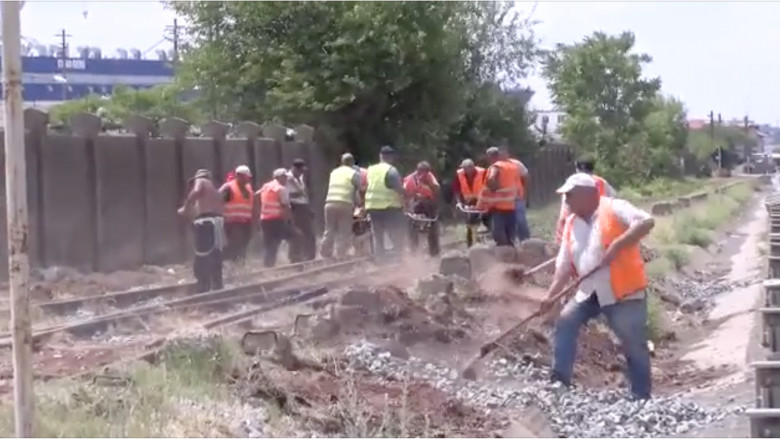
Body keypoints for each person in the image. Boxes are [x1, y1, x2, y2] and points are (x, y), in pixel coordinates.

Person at [541, 172, 655, 400]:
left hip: (623, 291)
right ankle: (560, 381)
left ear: (588, 194)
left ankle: (641, 395)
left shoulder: (614, 208)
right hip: (589, 292)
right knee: (565, 321)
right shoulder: (572, 223)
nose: (567, 201)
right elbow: (563, 265)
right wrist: (550, 296)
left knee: (632, 341)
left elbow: (646, 221)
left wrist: (618, 244)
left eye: (570, 196)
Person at [177, 169, 225, 293]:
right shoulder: (214, 190)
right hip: (217, 222)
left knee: (202, 254)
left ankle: (203, 285)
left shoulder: (201, 181)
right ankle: (217, 284)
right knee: (215, 253)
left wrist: (185, 206)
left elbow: (196, 191)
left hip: (206, 222)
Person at [554, 156, 616, 243]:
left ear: (577, 168)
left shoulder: (573, 182)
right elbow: (612, 202)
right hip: (601, 225)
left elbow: (565, 211)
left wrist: (560, 234)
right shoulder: (602, 182)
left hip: (578, 227)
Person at [364, 146, 406, 257]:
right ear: (391, 157)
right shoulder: (391, 170)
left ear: (380, 156)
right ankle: (397, 257)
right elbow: (399, 189)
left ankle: (380, 258)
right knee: (394, 232)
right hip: (389, 207)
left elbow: (364, 186)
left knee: (377, 235)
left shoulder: (370, 170)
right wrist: (406, 197)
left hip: (372, 206)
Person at [321, 153, 363, 258]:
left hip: (329, 203)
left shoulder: (334, 172)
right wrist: (360, 203)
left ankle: (325, 253)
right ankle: (341, 254)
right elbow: (359, 189)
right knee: (343, 231)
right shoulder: (354, 173)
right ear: (352, 162)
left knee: (329, 229)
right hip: (345, 203)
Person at [478, 147, 520, 246]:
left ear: (490, 157)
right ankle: (513, 256)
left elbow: (492, 179)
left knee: (500, 237)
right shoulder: (511, 166)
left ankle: (503, 257)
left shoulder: (495, 167)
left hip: (498, 206)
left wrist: (493, 188)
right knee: (510, 236)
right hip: (511, 205)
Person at [257, 169, 295, 268]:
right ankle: (296, 260)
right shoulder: (281, 189)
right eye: (284, 177)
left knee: (270, 244)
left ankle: (268, 266)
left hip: (264, 220)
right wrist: (290, 221)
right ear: (279, 177)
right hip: (276, 220)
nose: (286, 179)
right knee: (296, 237)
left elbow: (255, 196)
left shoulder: (266, 186)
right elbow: (286, 206)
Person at [403, 161, 441, 256]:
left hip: (429, 203)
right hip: (414, 203)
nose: (425, 174)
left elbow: (437, 189)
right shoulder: (409, 180)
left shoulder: (430, 177)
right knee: (410, 223)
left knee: (433, 224)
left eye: (427, 172)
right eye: (423, 172)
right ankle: (413, 249)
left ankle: (434, 251)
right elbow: (405, 194)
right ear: (418, 171)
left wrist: (430, 185)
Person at [219, 165, 255, 262]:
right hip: (231, 222)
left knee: (243, 243)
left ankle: (239, 264)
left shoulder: (248, 188)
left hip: (245, 222)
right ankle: (221, 261)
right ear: (239, 176)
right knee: (235, 243)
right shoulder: (228, 187)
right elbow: (218, 201)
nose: (248, 179)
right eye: (247, 177)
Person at [452, 159, 490, 244]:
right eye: (464, 168)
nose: (465, 171)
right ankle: (471, 245)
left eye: (466, 169)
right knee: (470, 222)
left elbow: (489, 186)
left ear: (472, 167)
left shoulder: (483, 172)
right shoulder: (460, 174)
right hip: (469, 201)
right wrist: (458, 202)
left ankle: (496, 240)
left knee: (488, 220)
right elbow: (456, 189)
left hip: (483, 200)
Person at [286, 159, 316, 263]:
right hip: (294, 207)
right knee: (297, 233)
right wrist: (298, 194)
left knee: (309, 233)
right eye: (300, 170)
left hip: (303, 207)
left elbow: (304, 194)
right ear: (294, 169)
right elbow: (285, 195)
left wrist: (309, 207)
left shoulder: (300, 177)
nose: (301, 173)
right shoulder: (287, 178)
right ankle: (295, 256)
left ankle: (309, 256)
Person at [499, 145, 531, 242]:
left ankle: (526, 242)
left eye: (504, 153)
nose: (502, 155)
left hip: (516, 198)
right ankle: (511, 242)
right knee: (508, 222)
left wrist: (525, 195)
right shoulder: (495, 166)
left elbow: (527, 177)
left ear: (507, 154)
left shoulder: (516, 164)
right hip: (502, 200)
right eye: (500, 154)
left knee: (521, 221)